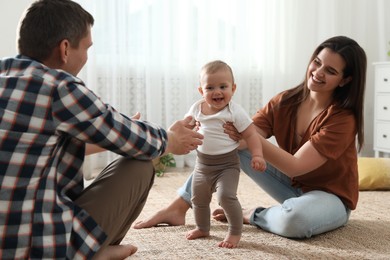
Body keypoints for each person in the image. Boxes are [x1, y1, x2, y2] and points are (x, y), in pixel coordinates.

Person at [0, 0, 203, 259]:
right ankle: (86, 253)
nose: (86, 56)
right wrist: (170, 139)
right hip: (37, 246)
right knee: (142, 161)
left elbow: (39, 146)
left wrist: (120, 133)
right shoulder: (59, 87)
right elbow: (135, 140)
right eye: (87, 48)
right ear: (65, 49)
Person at [134, 36, 367, 241]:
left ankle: (251, 214)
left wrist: (248, 137)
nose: (318, 72)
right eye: (317, 62)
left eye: (331, 71)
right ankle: (178, 207)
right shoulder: (285, 101)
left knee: (294, 221)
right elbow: (242, 140)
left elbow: (296, 167)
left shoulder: (343, 119)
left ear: (345, 80)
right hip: (289, 187)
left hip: (329, 197)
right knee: (230, 144)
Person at [184, 60, 266, 248]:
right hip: (202, 165)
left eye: (223, 86)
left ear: (233, 88)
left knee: (226, 196)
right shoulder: (197, 108)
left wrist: (258, 155)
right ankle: (203, 228)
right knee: (198, 198)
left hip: (227, 165)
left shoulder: (234, 111)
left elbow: (251, 134)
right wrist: (188, 133)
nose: (217, 92)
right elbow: (186, 126)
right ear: (201, 91)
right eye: (210, 87)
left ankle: (235, 232)